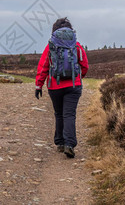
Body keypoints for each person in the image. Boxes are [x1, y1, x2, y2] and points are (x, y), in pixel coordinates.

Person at [34, 17, 89, 158]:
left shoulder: (51, 46)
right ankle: (69, 144)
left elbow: (44, 66)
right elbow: (84, 65)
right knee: (69, 114)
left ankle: (59, 142)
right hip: (73, 86)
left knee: (59, 113)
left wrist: (38, 85)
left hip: (54, 86)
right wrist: (76, 78)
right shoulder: (76, 45)